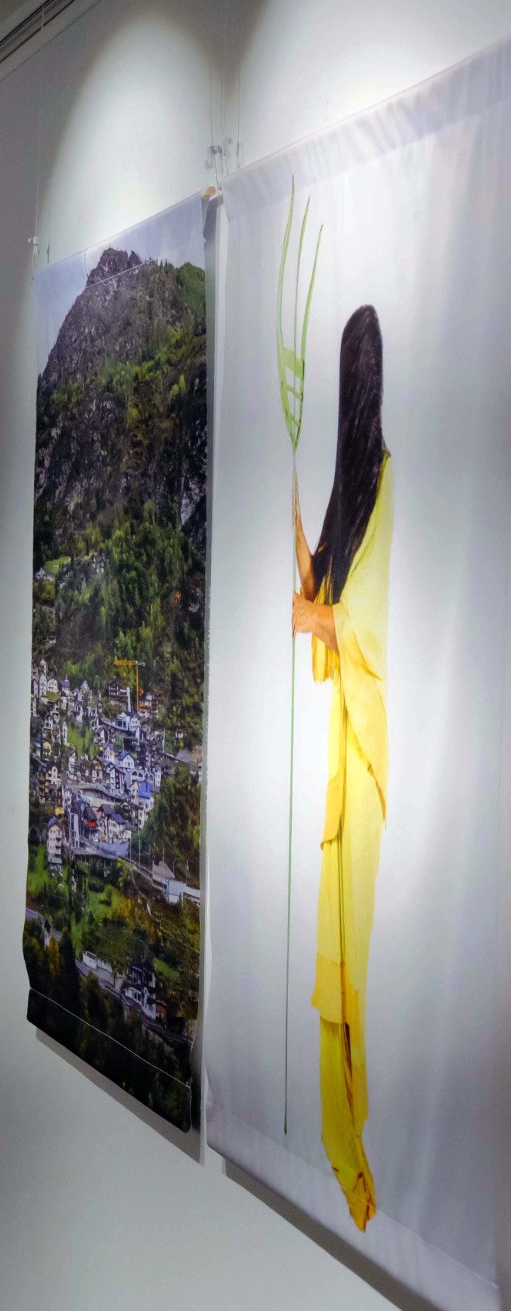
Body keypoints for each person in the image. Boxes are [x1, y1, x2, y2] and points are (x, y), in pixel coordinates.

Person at [292, 304, 391, 1231]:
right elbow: (321, 609)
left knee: (355, 948)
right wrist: (304, 560)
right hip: (339, 756)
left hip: (365, 760)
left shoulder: (382, 484)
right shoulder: (346, 493)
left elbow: (365, 627)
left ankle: (357, 1145)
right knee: (336, 946)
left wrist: (320, 617)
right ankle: (341, 1141)